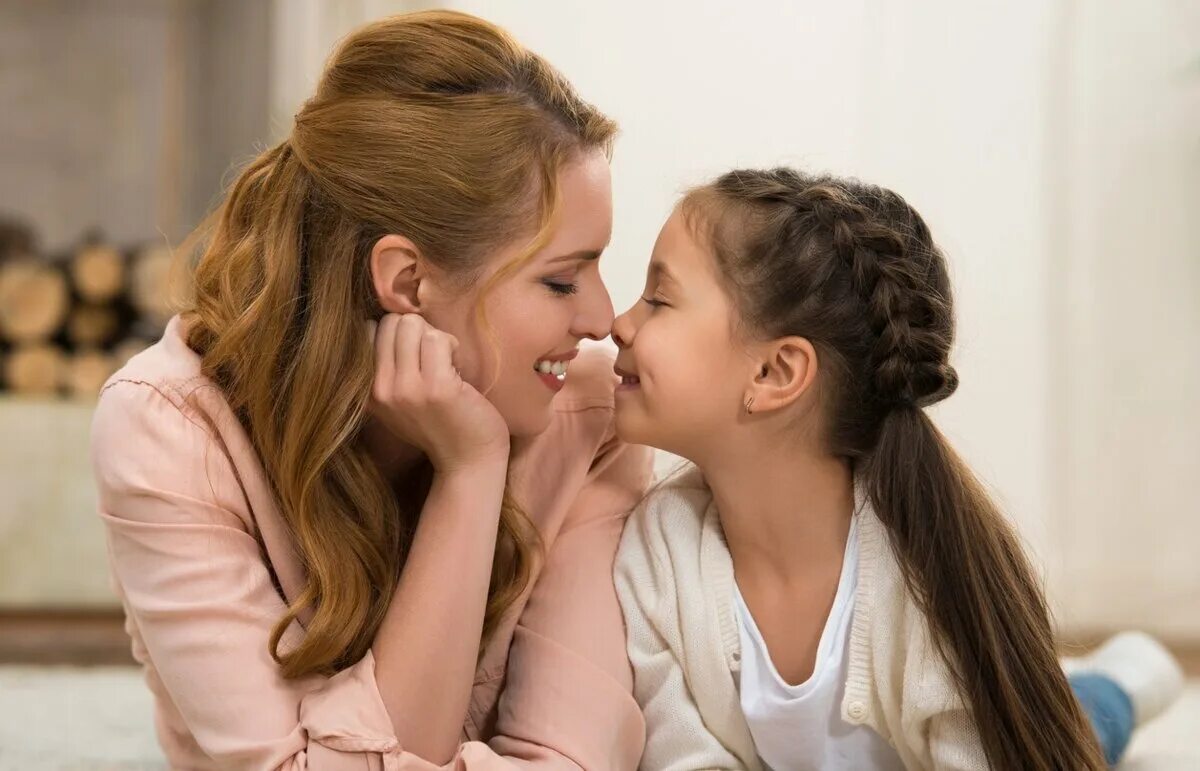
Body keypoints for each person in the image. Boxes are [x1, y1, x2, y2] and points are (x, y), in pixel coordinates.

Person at [91, 11, 652, 769]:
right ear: (408, 282)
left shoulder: (588, 419)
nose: (600, 318)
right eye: (560, 279)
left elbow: (570, 758)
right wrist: (471, 470)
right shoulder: (168, 428)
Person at [612, 168, 1184, 769]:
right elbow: (683, 756)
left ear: (774, 374)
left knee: (1086, 723)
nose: (619, 323)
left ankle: (1125, 680)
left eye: (658, 300)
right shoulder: (655, 550)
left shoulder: (925, 570)